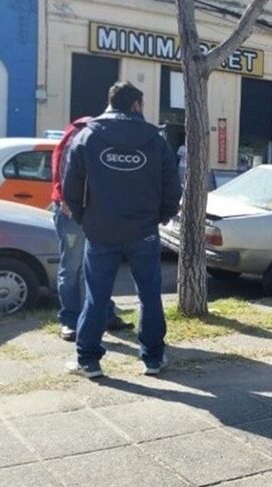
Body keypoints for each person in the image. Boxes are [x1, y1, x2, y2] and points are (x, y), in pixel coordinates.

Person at [63, 81, 182, 378]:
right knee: (149, 295)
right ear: (136, 104)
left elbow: (71, 186)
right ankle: (153, 358)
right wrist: (162, 216)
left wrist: (83, 217)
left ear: (110, 102)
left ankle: (88, 360)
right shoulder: (155, 140)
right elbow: (172, 186)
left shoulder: (87, 136)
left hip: (101, 230)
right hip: (143, 231)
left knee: (96, 296)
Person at [50, 117, 133, 341]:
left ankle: (104, 315)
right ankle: (70, 320)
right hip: (73, 213)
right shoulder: (80, 135)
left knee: (99, 267)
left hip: (96, 213)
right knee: (72, 268)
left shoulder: (100, 136)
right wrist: (68, 203)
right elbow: (64, 173)